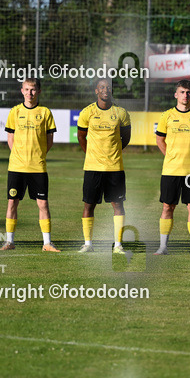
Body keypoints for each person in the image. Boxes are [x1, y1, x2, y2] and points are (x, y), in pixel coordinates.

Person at [0, 78, 59, 252]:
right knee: (12, 203)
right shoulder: (15, 111)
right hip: (16, 167)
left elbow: (49, 140)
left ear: (38, 91)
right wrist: (19, 156)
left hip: (37, 167)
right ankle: (9, 242)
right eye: (26, 89)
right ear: (22, 91)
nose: (29, 93)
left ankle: (47, 243)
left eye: (32, 90)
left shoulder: (45, 112)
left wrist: (37, 155)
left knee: (43, 204)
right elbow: (10, 138)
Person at [155, 80, 190, 256]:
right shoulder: (167, 116)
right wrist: (171, 156)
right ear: (175, 95)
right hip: (170, 170)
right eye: (182, 92)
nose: (185, 95)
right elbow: (160, 140)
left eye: (188, 92)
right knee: (167, 207)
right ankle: (163, 247)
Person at [77, 78, 131, 253]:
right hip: (92, 167)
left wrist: (113, 152)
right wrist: (91, 154)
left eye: (108, 87)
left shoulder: (121, 113)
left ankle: (118, 245)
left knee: (118, 205)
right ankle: (88, 244)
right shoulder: (87, 112)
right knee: (89, 205)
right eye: (102, 87)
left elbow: (126, 138)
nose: (105, 90)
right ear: (96, 91)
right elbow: (81, 136)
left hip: (114, 168)